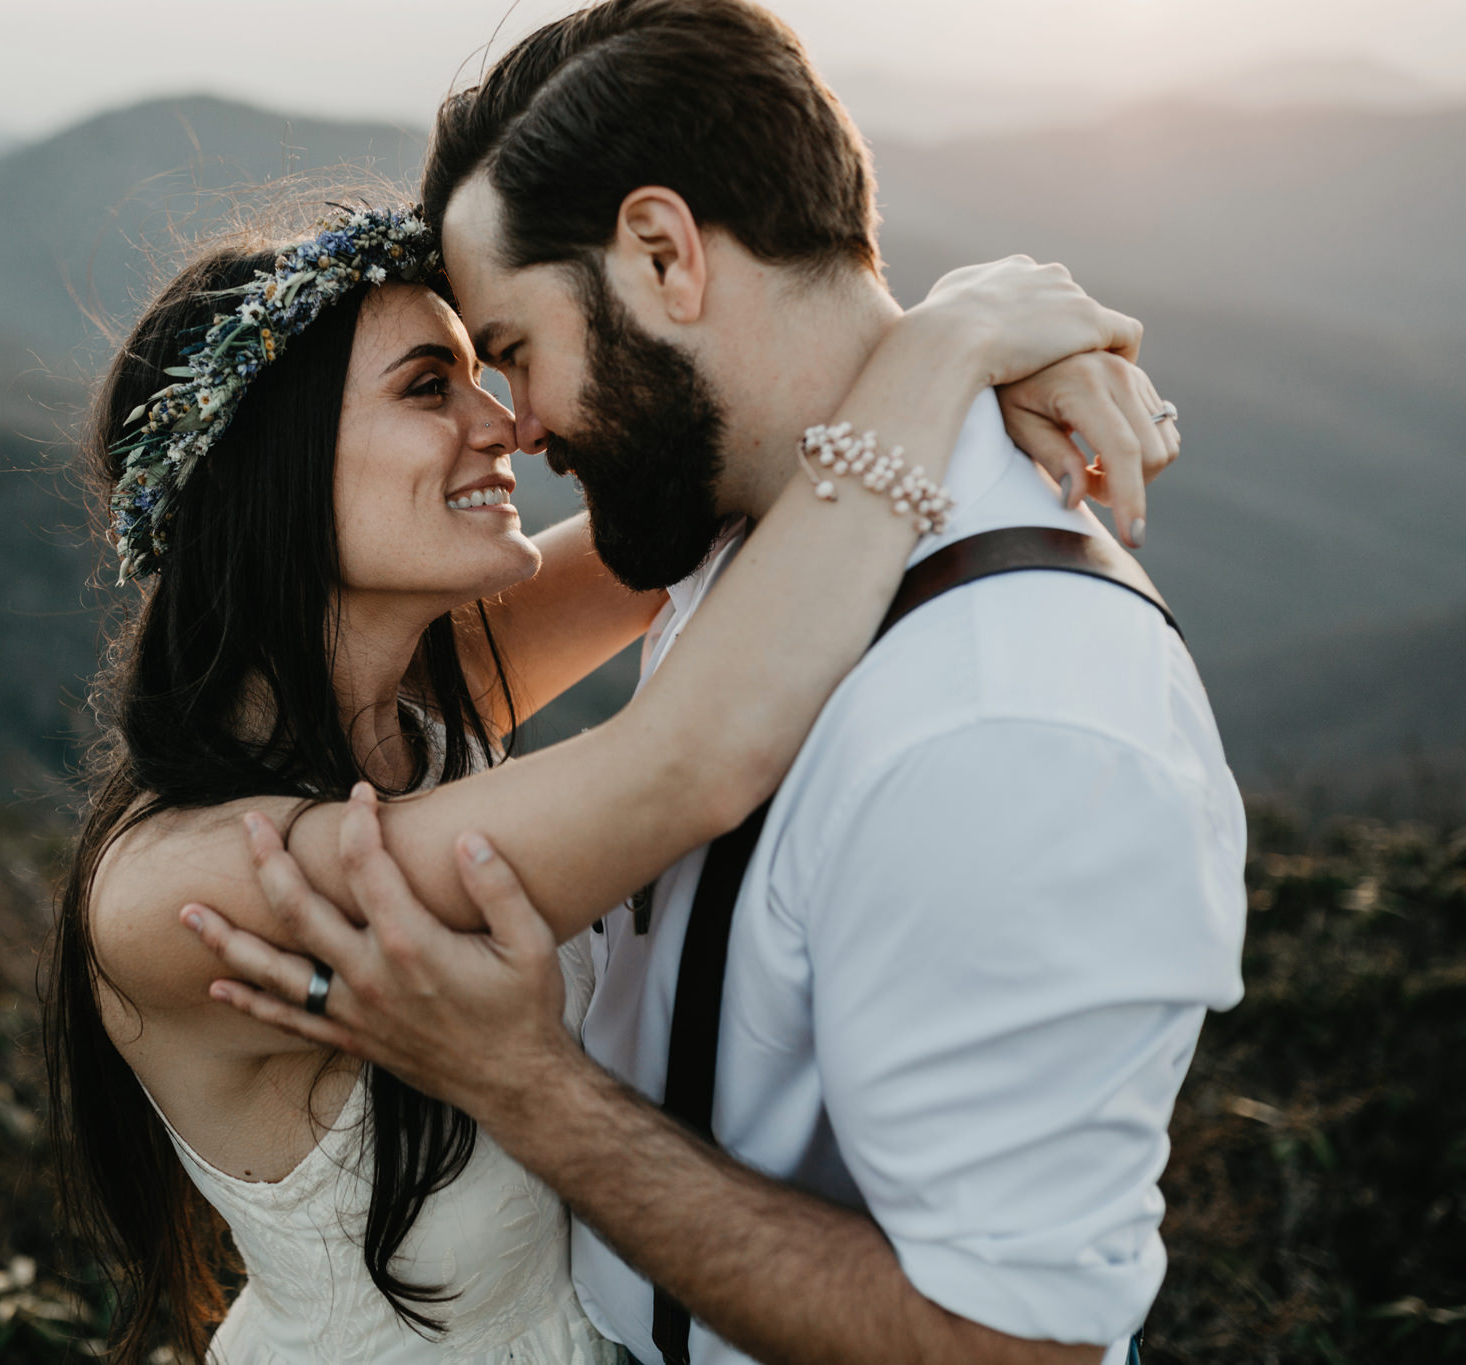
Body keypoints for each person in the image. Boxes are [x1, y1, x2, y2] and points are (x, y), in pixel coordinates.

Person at [178, 3, 1246, 1364]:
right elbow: (681, 748)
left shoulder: (1004, 714)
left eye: (508, 351)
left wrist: (532, 1090)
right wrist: (950, 339)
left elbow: (1007, 1347)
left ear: (664, 254)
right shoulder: (730, 533)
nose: (519, 426)